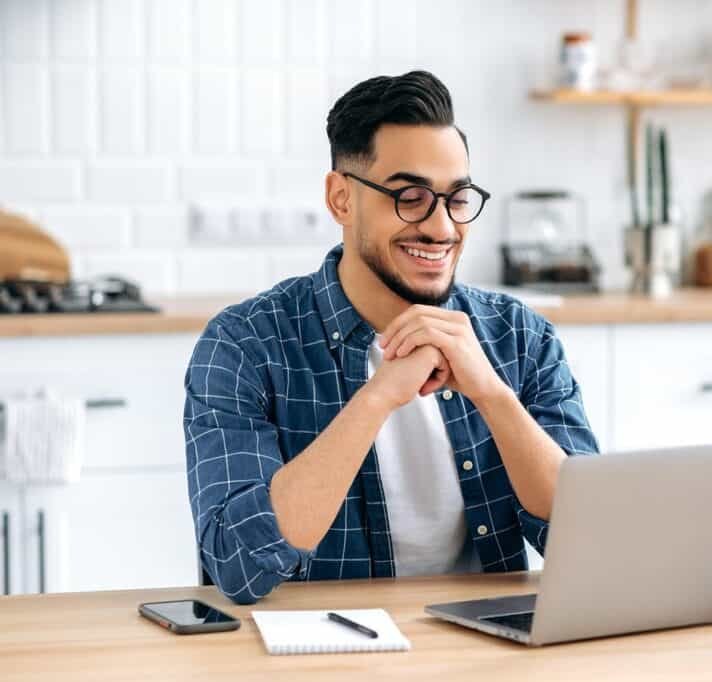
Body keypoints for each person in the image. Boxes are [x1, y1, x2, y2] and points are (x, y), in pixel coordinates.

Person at [183, 71, 599, 605]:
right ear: (341, 199)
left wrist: (493, 395)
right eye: (410, 197)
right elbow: (236, 564)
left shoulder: (520, 336)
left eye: (457, 198)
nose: (442, 227)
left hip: (487, 652)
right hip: (323, 654)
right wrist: (378, 397)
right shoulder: (244, 346)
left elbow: (584, 538)